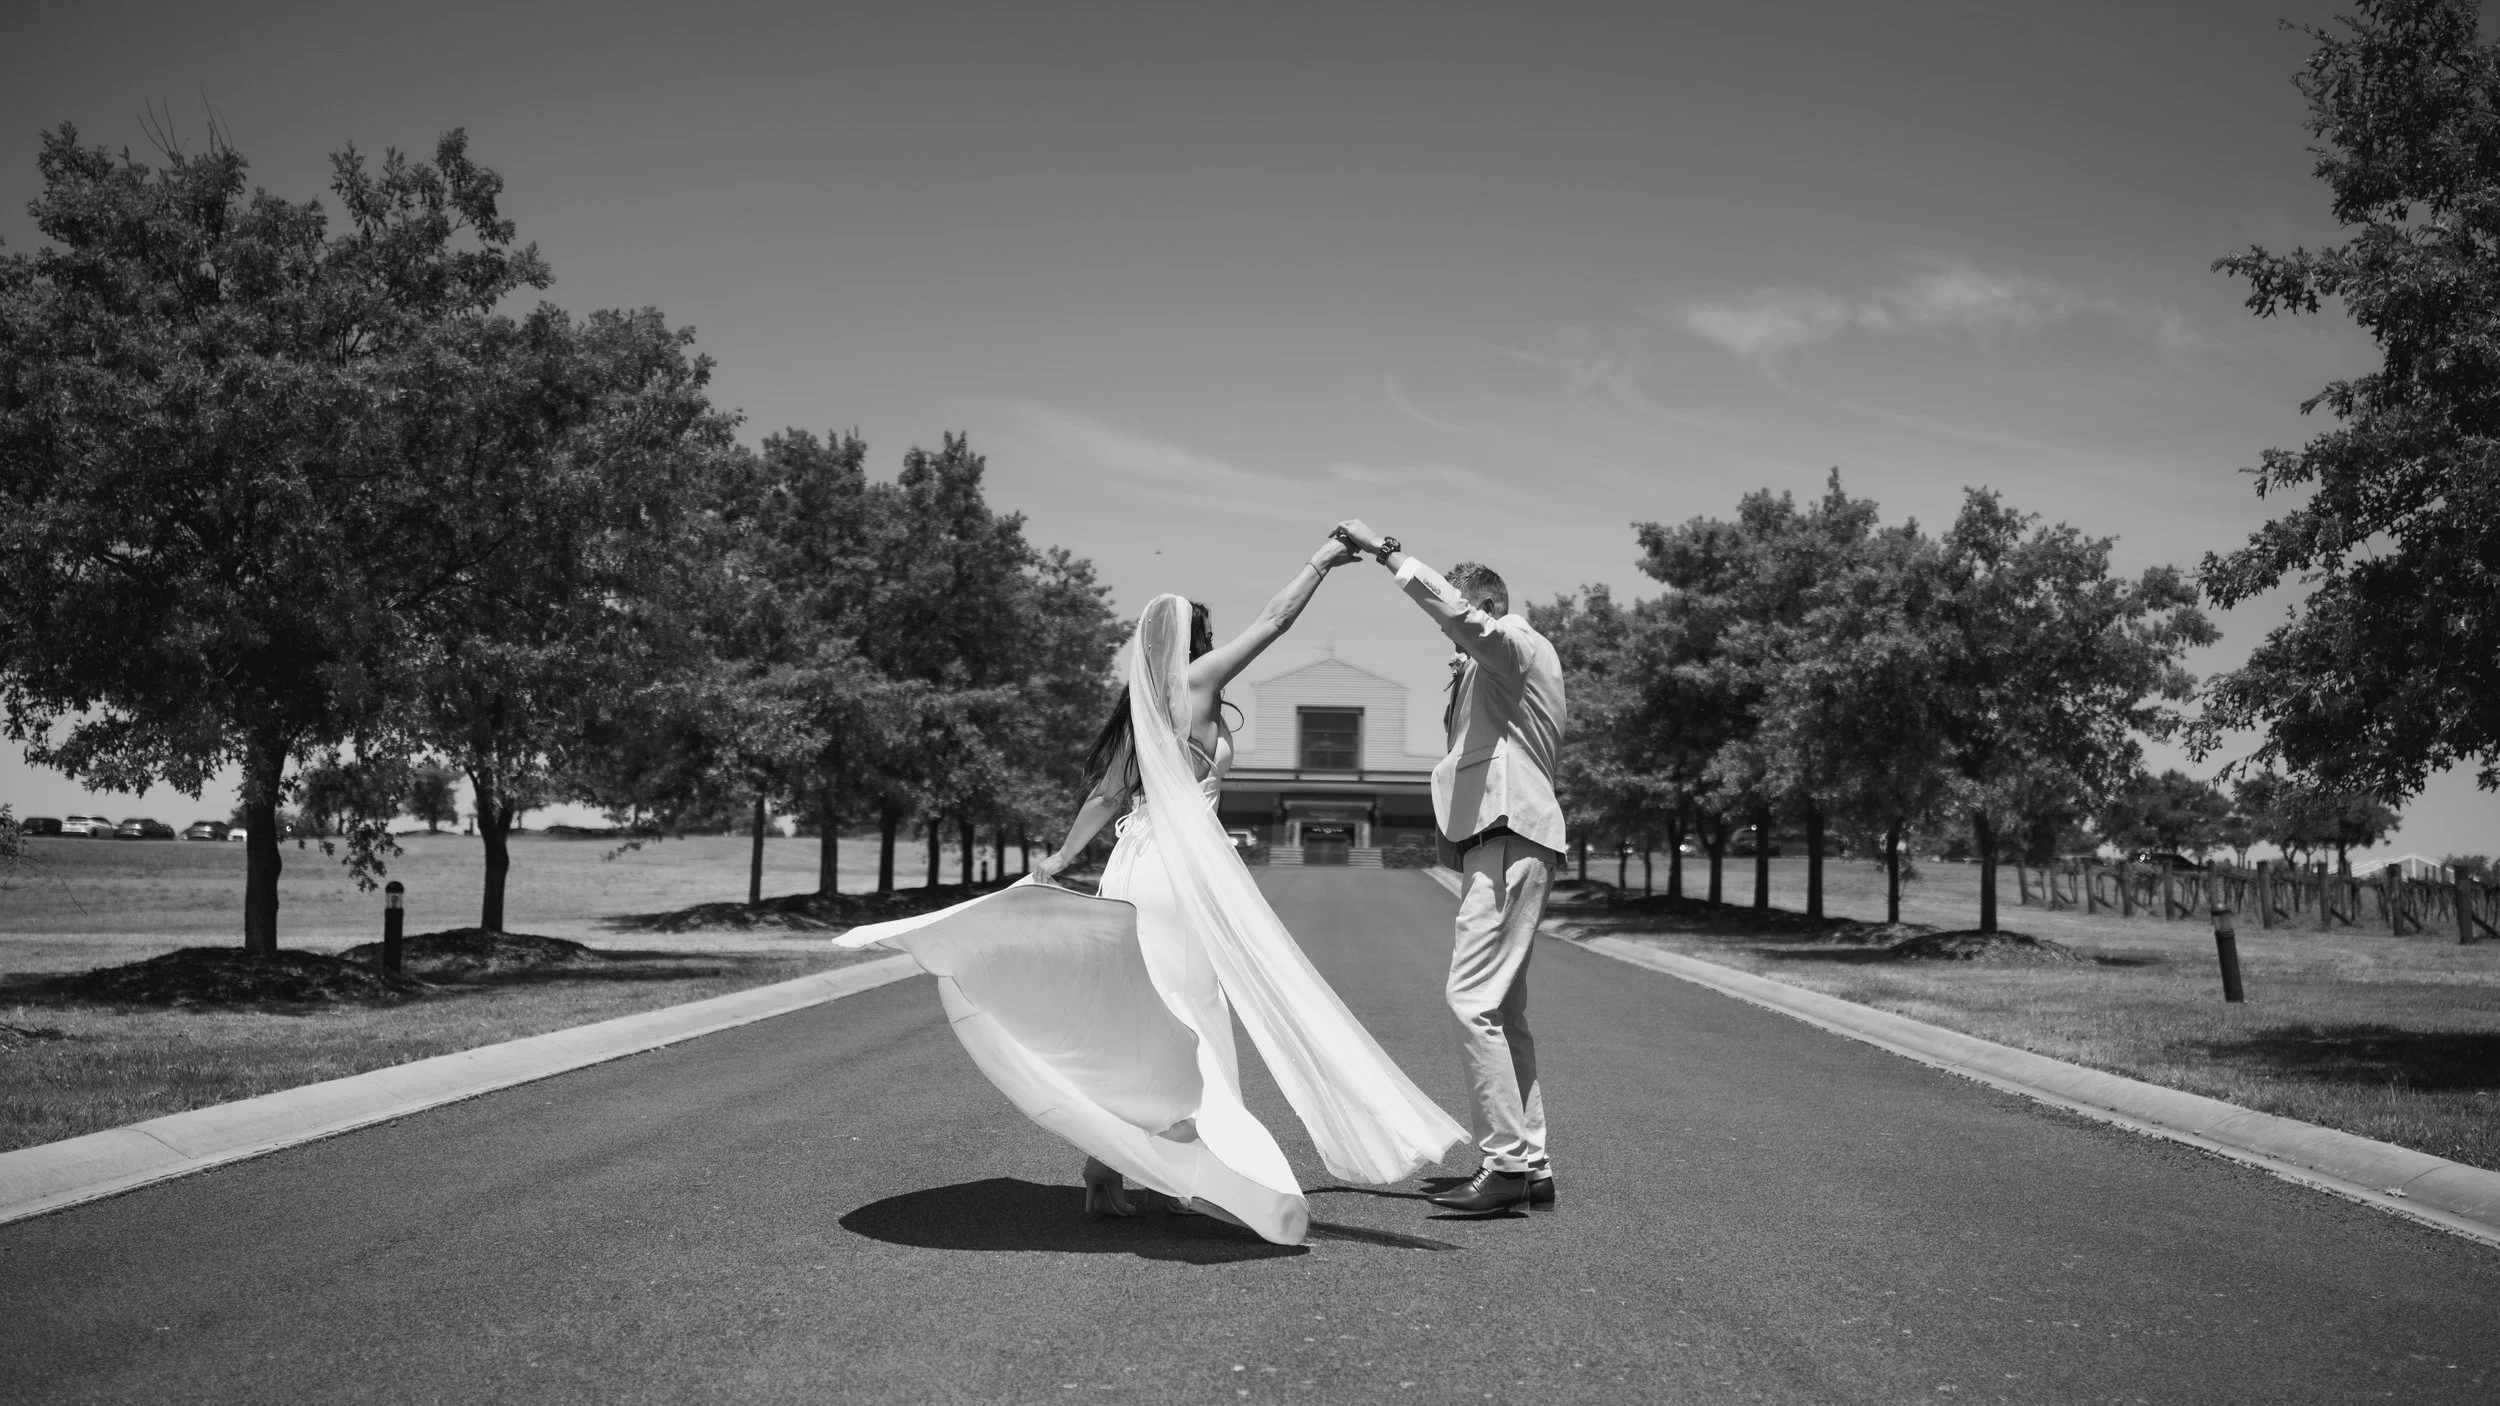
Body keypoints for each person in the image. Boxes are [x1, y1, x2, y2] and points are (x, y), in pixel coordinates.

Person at [836, 545, 1466, 1246]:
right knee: (1191, 1016)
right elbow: (1277, 619)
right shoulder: (1198, 681)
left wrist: (1063, 856)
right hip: (1178, 875)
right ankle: (1215, 1172)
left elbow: (1107, 795)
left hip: (1132, 868)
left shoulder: (1142, 703)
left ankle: (1108, 1170)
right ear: (1195, 643)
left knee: (1139, 1015)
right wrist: (1322, 560)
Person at [1332, 519, 1566, 1216]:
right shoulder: (1498, 666)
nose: (1450, 640)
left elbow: (1460, 619)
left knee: (1471, 1002)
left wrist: (1389, 555)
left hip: (1509, 833)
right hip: (1503, 837)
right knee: (1504, 1011)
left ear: (1486, 607)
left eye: (1459, 623)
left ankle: (1504, 1167)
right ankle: (1532, 1161)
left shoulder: (1514, 642)